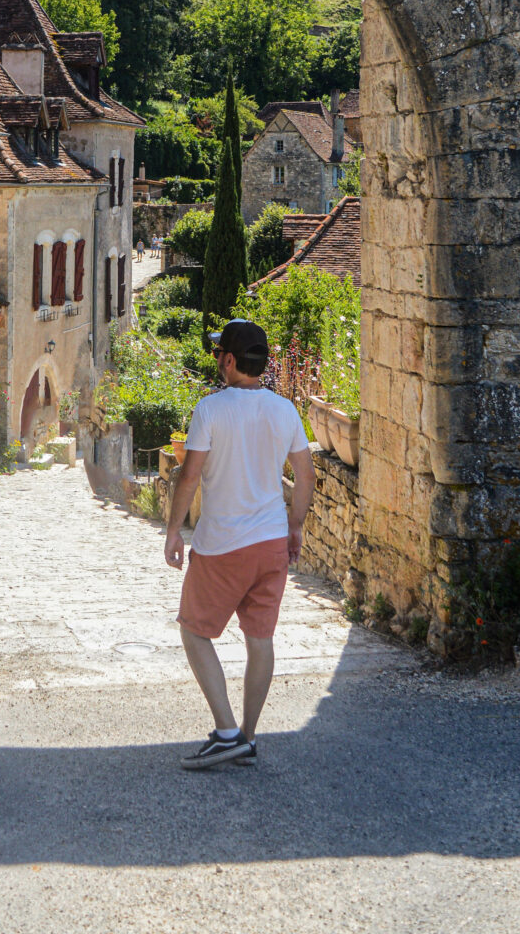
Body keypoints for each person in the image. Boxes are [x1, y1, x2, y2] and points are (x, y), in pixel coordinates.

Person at [164, 318, 315, 769]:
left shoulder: (211, 410)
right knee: (260, 639)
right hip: (271, 542)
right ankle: (248, 737)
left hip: (223, 544)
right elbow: (305, 475)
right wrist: (295, 527)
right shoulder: (285, 410)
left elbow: (190, 476)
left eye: (218, 354)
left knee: (194, 631)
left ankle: (228, 730)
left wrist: (173, 529)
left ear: (229, 361)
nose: (216, 361)